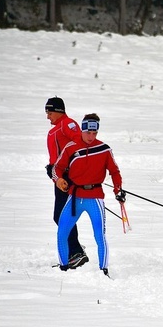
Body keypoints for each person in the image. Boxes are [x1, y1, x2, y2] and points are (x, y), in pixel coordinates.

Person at [53, 114, 124, 275]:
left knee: (99, 235)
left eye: (95, 133)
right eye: (88, 133)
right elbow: (57, 168)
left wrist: (118, 190)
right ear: (82, 130)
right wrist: (59, 180)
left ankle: (103, 270)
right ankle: (63, 268)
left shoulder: (104, 149)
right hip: (75, 197)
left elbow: (115, 172)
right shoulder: (71, 147)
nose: (92, 137)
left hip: (95, 198)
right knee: (62, 232)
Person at [45, 96, 88, 268]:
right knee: (60, 215)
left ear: (57, 110)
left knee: (61, 215)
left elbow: (80, 144)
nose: (47, 116)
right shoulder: (54, 130)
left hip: (68, 177)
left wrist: (72, 169)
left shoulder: (68, 124)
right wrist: (52, 168)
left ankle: (76, 252)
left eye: (49, 112)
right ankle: (74, 250)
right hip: (60, 178)